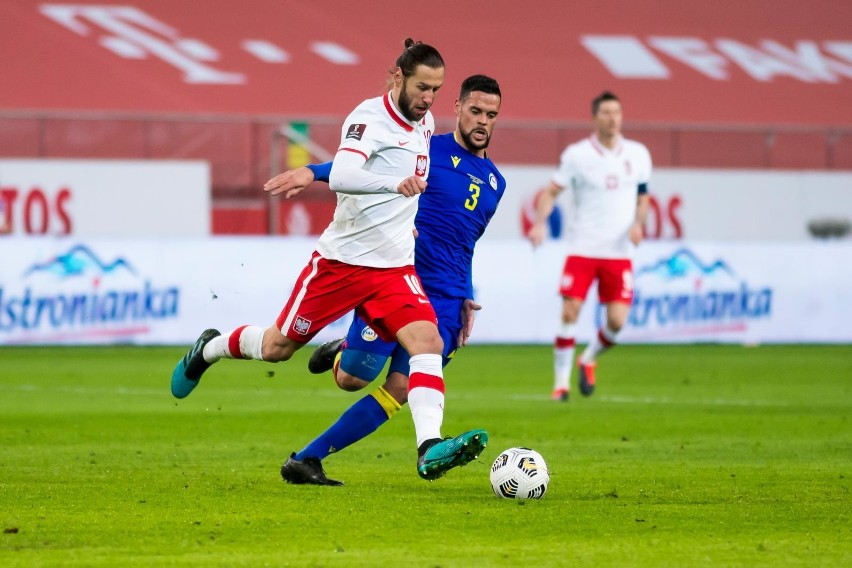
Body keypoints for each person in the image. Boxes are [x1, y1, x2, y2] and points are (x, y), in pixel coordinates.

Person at [171, 39, 488, 482]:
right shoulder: (368, 118)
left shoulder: (425, 122)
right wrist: (391, 186)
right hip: (341, 263)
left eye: (435, 89)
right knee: (277, 347)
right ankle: (208, 348)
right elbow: (343, 172)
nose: (428, 98)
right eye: (421, 87)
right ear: (398, 77)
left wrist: (406, 218)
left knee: (427, 343)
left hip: (394, 269)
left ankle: (429, 446)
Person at [272, 75, 505, 485]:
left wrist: (467, 295)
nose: (482, 121)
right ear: (457, 107)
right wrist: (313, 171)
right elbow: (354, 167)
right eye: (476, 111)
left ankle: (306, 460)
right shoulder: (428, 145)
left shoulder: (495, 183)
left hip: (447, 300)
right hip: (397, 279)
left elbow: (467, 241)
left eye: (491, 115)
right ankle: (343, 350)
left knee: (399, 388)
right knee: (352, 378)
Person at [527, 91, 651, 402]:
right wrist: (540, 222)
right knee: (570, 311)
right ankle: (560, 385)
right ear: (595, 117)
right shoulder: (577, 155)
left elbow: (643, 196)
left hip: (619, 252)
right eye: (607, 112)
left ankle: (589, 358)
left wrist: (638, 223)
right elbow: (551, 192)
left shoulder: (637, 154)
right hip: (582, 247)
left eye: (617, 112)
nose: (613, 118)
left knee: (617, 323)